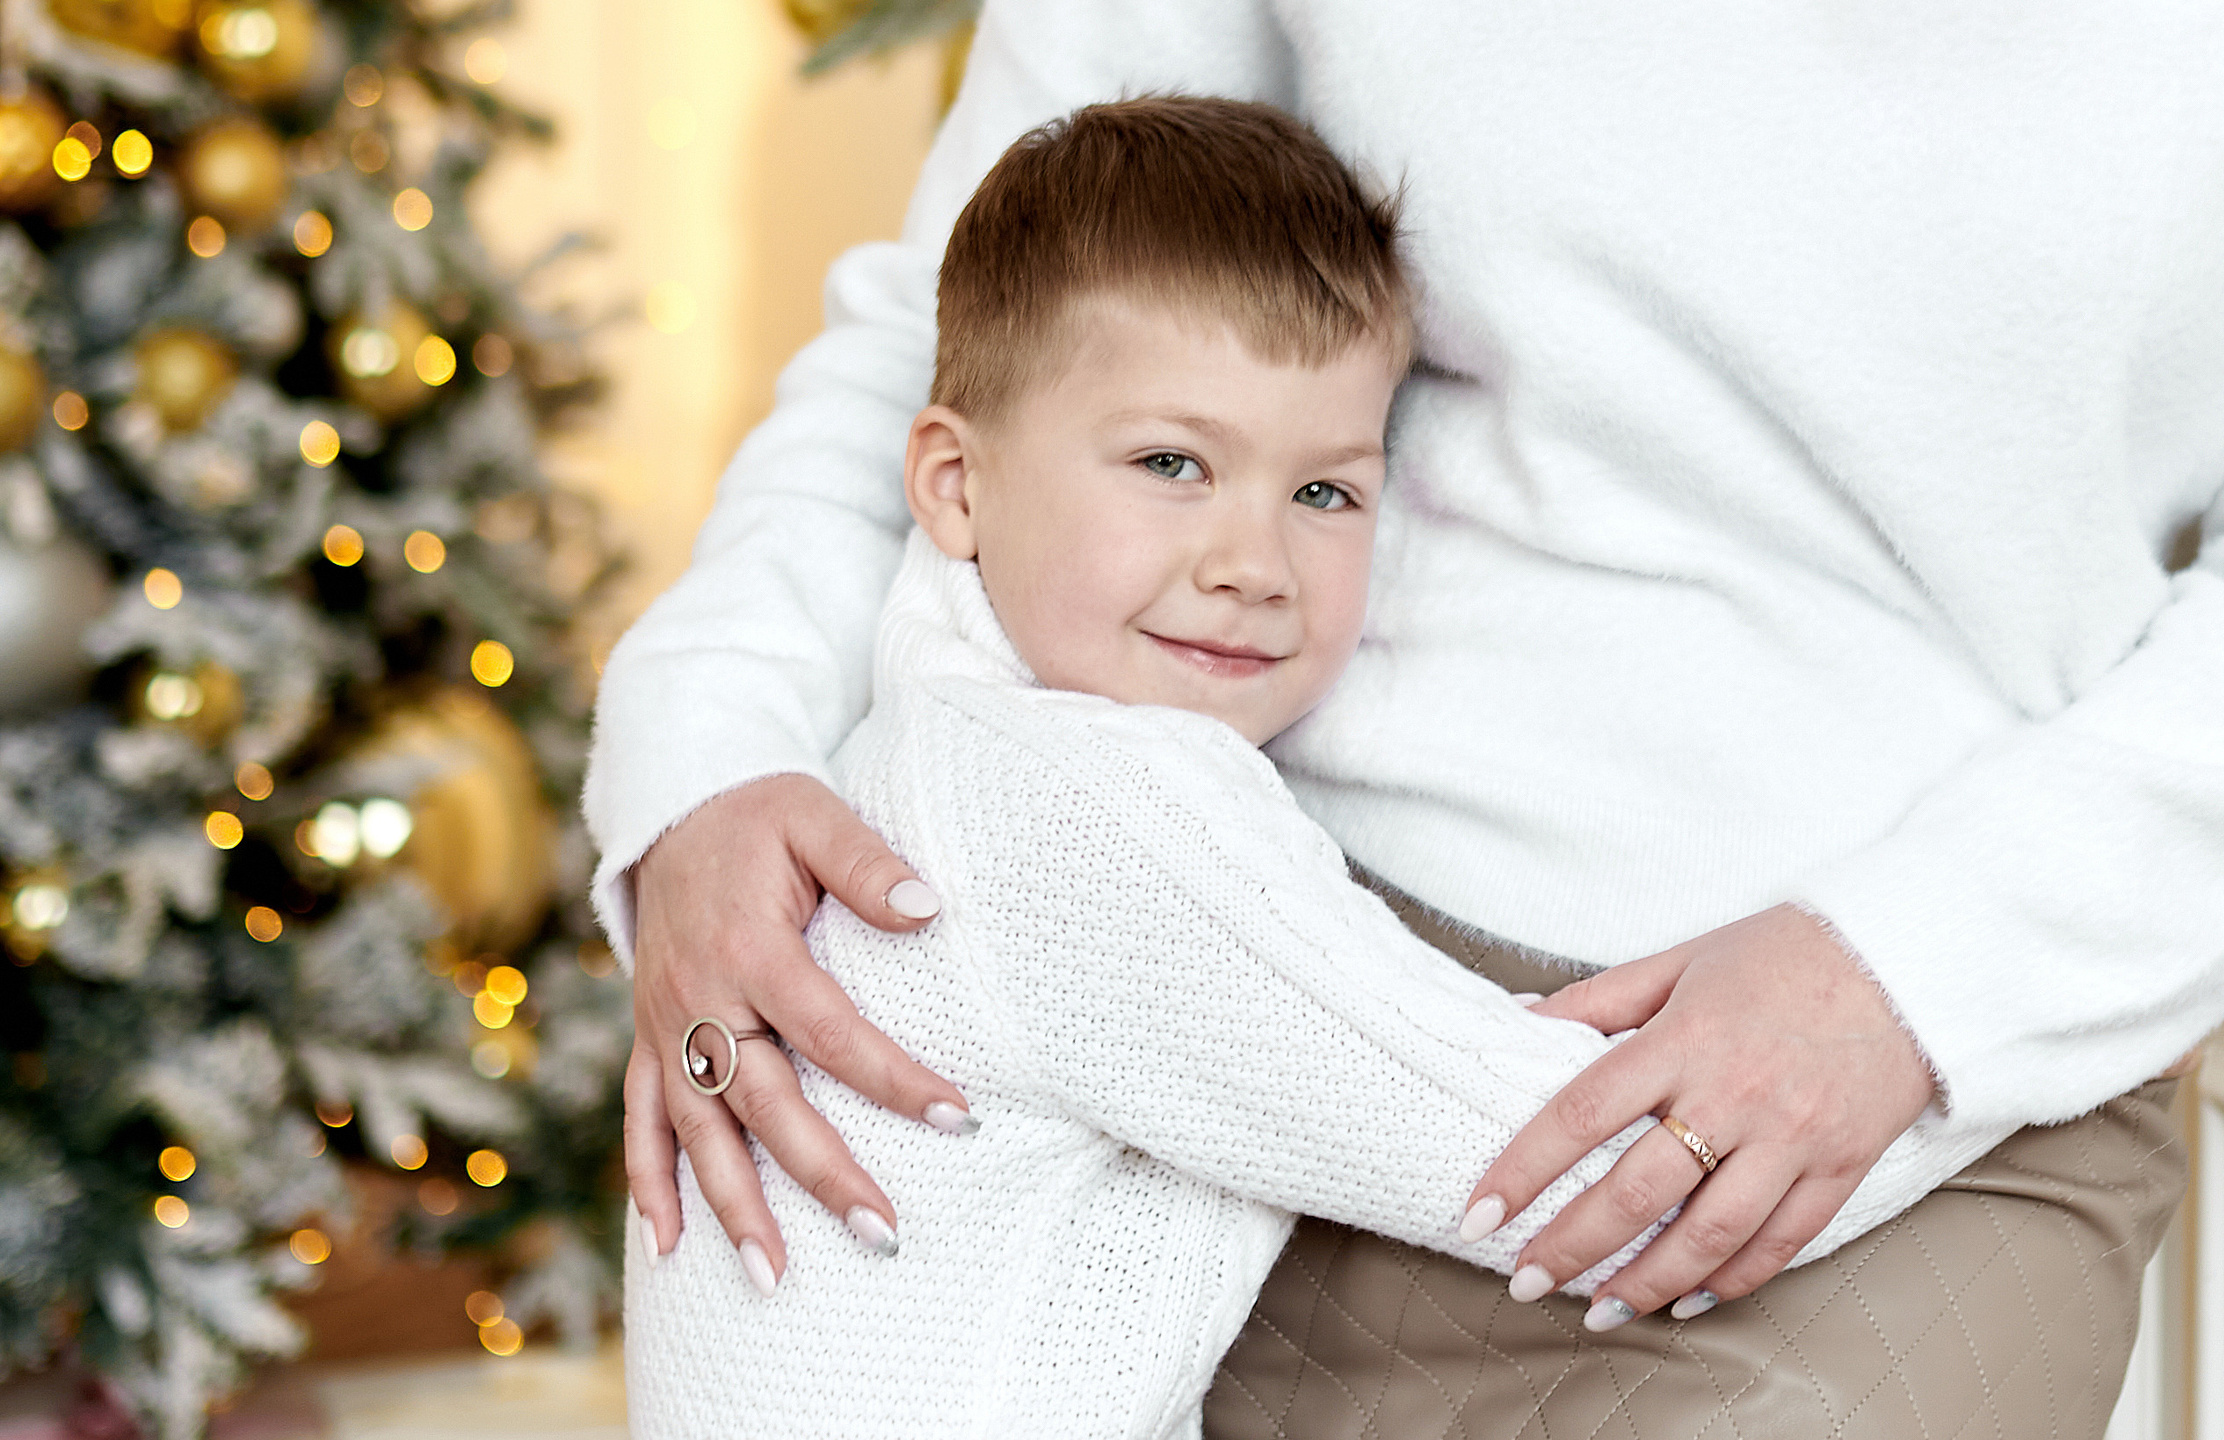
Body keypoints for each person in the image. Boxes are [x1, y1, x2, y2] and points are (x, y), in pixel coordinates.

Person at [591, 0, 2224, 1431]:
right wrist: (702, 769)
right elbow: (981, 315)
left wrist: (1913, 985)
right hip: (1248, 1018)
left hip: (1896, 1083)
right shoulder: (1075, 863)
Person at [624, 96, 2012, 1436]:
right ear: (953, 484)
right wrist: (1948, 1029)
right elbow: (1586, 1172)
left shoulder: (927, 740)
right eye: (1171, 463)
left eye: (1324, 492)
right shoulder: (1098, 818)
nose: (1252, 566)